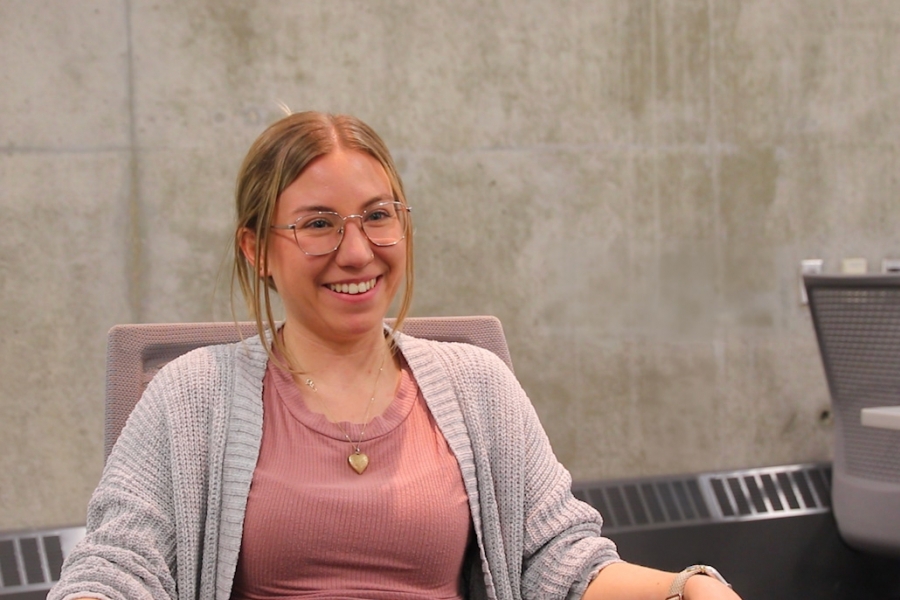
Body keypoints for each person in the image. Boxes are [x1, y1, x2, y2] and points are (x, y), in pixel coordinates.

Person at [49, 111, 742, 600]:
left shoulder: (478, 388)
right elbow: (118, 568)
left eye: (378, 216)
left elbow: (558, 561)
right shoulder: (189, 396)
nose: (357, 251)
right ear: (256, 249)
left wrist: (686, 589)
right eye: (318, 224)